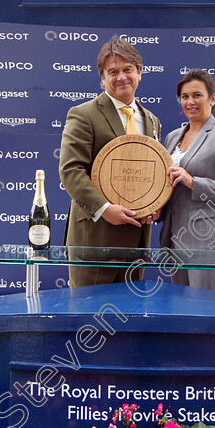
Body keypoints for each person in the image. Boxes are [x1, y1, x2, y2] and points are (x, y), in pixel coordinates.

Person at [59, 36, 161, 288]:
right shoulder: (83, 114)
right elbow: (71, 170)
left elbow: (154, 174)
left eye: (128, 69)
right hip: (94, 240)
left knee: (128, 316)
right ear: (103, 78)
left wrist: (156, 204)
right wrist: (104, 209)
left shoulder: (152, 120)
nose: (121, 77)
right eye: (112, 72)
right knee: (87, 315)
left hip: (136, 241)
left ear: (139, 73)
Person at [158, 69, 215, 293]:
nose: (190, 101)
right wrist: (156, 210)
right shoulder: (172, 137)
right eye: (184, 96)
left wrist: (194, 183)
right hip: (175, 241)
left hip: (210, 243)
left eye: (197, 95)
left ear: (212, 99)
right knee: (182, 314)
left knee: (209, 316)